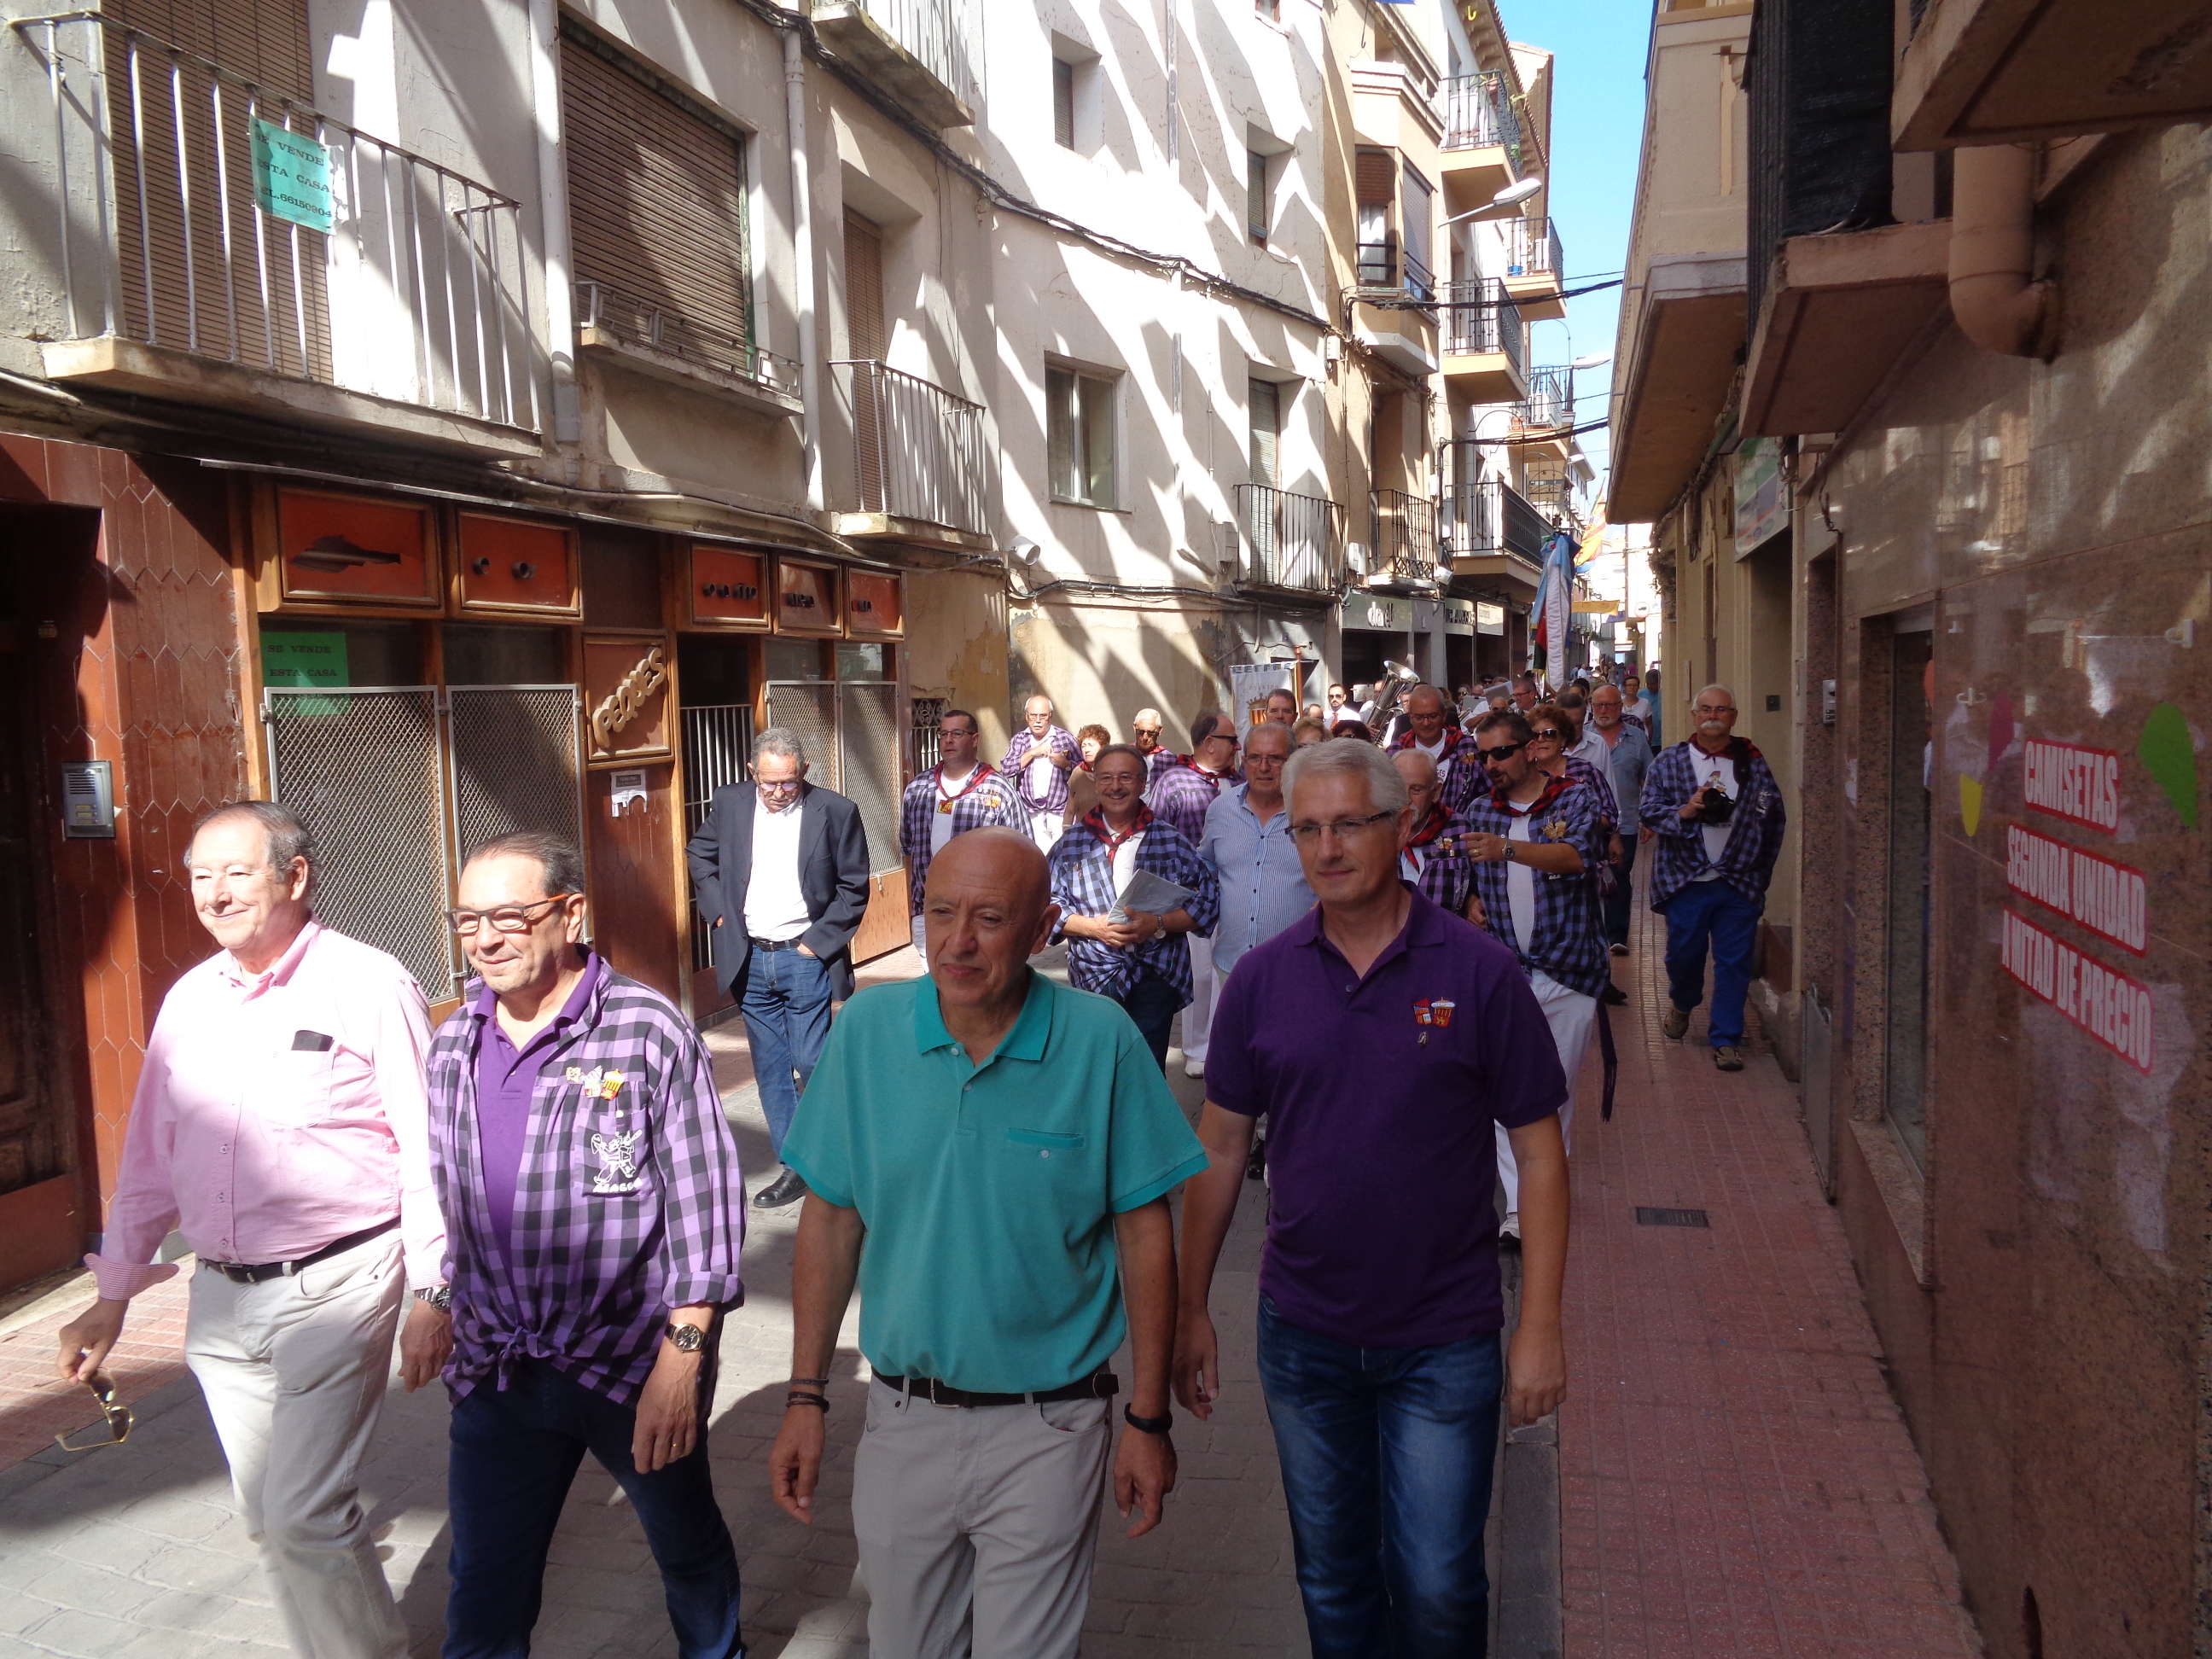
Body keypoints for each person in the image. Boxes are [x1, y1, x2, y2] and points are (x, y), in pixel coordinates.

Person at [1173, 740, 1570, 1656]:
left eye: (1350, 824)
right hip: (1304, 1337)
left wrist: (1540, 1326)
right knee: (1333, 1575)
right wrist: (1191, 1309)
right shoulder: (1261, 980)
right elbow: (1221, 1147)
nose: (1327, 848)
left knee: (1438, 1583)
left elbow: (1540, 1156)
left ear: (1401, 826)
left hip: (1444, 1336)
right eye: (1308, 829)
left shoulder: (1478, 973)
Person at [771, 829, 1208, 1659]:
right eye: (941, 913)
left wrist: (1148, 1419)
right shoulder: (867, 1033)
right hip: (903, 1419)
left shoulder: (1101, 1041)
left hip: (1051, 1426)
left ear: (1043, 929)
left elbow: (1145, 1234)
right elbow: (830, 1220)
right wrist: (804, 1397)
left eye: (991, 918)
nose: (958, 942)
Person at [56, 802, 444, 1659]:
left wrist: (435, 1289)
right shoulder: (190, 1000)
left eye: (236, 872)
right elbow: (151, 1158)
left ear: (294, 877)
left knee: (303, 1512)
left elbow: (428, 1147)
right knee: (269, 1517)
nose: (215, 893)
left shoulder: (369, 983)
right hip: (222, 1297)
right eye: (200, 875)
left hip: (340, 1280)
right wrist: (113, 1297)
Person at [428, 833, 746, 1658]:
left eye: (508, 916)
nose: (485, 939)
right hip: (498, 1366)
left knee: (685, 1548)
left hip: (628, 1362)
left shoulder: (645, 1029)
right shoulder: (455, 1042)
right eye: (468, 920)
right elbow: (452, 1200)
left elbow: (706, 1205)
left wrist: (683, 1360)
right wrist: (434, 1298)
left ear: (570, 915)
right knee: (483, 1583)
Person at [687, 726, 870, 1210]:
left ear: (804, 772)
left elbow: (853, 887)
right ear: (752, 772)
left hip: (803, 957)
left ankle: (839, 1152)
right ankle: (795, 1168)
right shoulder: (730, 804)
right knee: (770, 1069)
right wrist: (718, 912)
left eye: (789, 781)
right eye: (769, 782)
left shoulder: (835, 811)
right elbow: (699, 853)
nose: (779, 792)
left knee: (812, 1061)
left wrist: (816, 945)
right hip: (749, 957)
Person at [1463, 711, 1610, 1242]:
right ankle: (1521, 1212)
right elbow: (1462, 873)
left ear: (1530, 750)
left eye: (1501, 753)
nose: (1491, 764)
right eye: (1483, 756)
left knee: (1553, 1096)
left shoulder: (1573, 799)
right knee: (1506, 1093)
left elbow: (1576, 857)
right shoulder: (1480, 810)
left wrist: (1506, 848)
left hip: (1568, 974)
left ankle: (1545, 1193)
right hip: (1508, 979)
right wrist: (1471, 897)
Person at [1640, 684, 1788, 1072]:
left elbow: (1774, 818)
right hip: (1686, 880)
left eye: (1721, 710)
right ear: (1693, 716)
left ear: (1733, 717)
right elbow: (1649, 811)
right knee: (1683, 957)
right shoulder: (1669, 761)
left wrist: (1760, 874)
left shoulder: (1752, 762)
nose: (1713, 716)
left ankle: (1726, 1039)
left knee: (1734, 962)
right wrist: (1686, 811)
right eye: (1705, 709)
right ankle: (1683, 1002)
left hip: (1738, 882)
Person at [1050, 745, 1222, 1068]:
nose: (1115, 786)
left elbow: (1209, 899)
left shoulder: (1170, 840)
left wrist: (1158, 923)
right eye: (1106, 778)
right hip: (1094, 973)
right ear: (1095, 783)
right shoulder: (1070, 845)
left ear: (1143, 783)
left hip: (1156, 974)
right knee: (1099, 1068)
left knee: (1147, 1070)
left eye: (1126, 777)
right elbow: (1046, 906)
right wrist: (1092, 928)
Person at [1198, 722, 1313, 1155]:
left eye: (1275, 758)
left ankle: (1279, 1137)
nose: (1264, 767)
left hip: (1296, 963)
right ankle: (1245, 1134)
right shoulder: (1220, 810)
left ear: (1292, 760)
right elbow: (1206, 867)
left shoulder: (1309, 810)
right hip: (1233, 961)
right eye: (1255, 758)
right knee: (1242, 1053)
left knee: (1290, 1053)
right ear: (1242, 760)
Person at [1145, 712, 1241, 1073]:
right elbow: (1155, 835)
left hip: (1237, 892)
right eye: (1232, 740)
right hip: (1193, 896)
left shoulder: (1241, 782)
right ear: (1209, 742)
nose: (1238, 747)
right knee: (1200, 974)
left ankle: (1229, 1043)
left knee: (1232, 969)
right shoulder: (1173, 781)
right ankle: (1199, 1049)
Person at [900, 708, 1026, 963]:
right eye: (943, 734)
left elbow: (1023, 856)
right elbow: (908, 851)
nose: (948, 740)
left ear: (975, 739)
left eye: (957, 733)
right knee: (933, 977)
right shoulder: (918, 789)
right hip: (930, 910)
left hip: (981, 915)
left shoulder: (998, 790)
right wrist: (913, 907)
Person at [1588, 684, 1655, 954]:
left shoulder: (1636, 738)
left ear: (1620, 707)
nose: (1604, 710)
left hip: (1625, 821)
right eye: (1599, 705)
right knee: (1587, 879)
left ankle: (1617, 935)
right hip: (1587, 825)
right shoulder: (1583, 739)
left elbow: (1648, 779)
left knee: (1619, 876)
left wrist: (1648, 817)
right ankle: (1591, 935)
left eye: (1610, 705)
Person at [1392, 748, 1480, 923]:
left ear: (1436, 792)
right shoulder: (1375, 830)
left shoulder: (1460, 830)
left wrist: (1471, 902)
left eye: (1416, 790)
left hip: (1445, 935)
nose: (1405, 799)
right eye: (1398, 788)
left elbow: (1477, 885)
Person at [1002, 693, 1080, 850]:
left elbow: (1084, 771)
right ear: (1027, 716)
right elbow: (1007, 769)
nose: (1037, 720)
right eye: (1033, 716)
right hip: (1031, 815)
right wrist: (1032, 752)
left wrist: (1065, 764)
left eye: (1042, 716)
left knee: (1061, 857)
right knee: (1035, 858)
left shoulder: (1065, 738)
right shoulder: (1020, 740)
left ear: (1050, 716)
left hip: (1060, 814)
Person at [1385, 684, 1479, 813]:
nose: (1426, 723)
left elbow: (1482, 789)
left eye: (1433, 716)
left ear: (1444, 715)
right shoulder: (1395, 751)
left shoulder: (1467, 746)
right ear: (1410, 717)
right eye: (1419, 717)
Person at [1132, 707, 1174, 783]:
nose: (1145, 738)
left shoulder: (1169, 759)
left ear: (1159, 730)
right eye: (1141, 732)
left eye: (1151, 733)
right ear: (1134, 728)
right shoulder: (1125, 755)